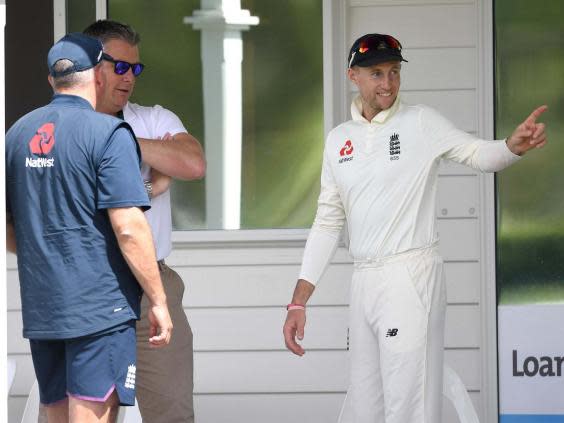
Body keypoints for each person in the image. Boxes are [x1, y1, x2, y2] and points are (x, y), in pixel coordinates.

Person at [282, 33, 547, 423]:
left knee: (409, 406)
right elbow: (327, 221)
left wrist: (512, 145)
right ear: (353, 75)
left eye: (393, 72)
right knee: (364, 406)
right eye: (376, 74)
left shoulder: (420, 122)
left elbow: (477, 154)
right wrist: (298, 301)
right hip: (364, 279)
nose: (387, 83)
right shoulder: (339, 140)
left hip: (410, 274)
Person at [5, 33, 173, 423]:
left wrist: (43, 254)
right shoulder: (109, 134)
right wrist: (159, 301)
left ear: (53, 80)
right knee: (92, 413)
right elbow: (129, 227)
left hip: (44, 307)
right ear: (98, 75)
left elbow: (7, 224)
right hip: (100, 308)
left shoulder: (16, 136)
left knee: (57, 412)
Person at [83, 19, 206, 423]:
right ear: (90, 64)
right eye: (120, 67)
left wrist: (125, 141)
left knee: (171, 411)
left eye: (135, 69)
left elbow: (192, 162)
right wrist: (150, 180)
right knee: (82, 413)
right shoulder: (65, 127)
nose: (129, 78)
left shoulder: (152, 118)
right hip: (89, 288)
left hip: (154, 286)